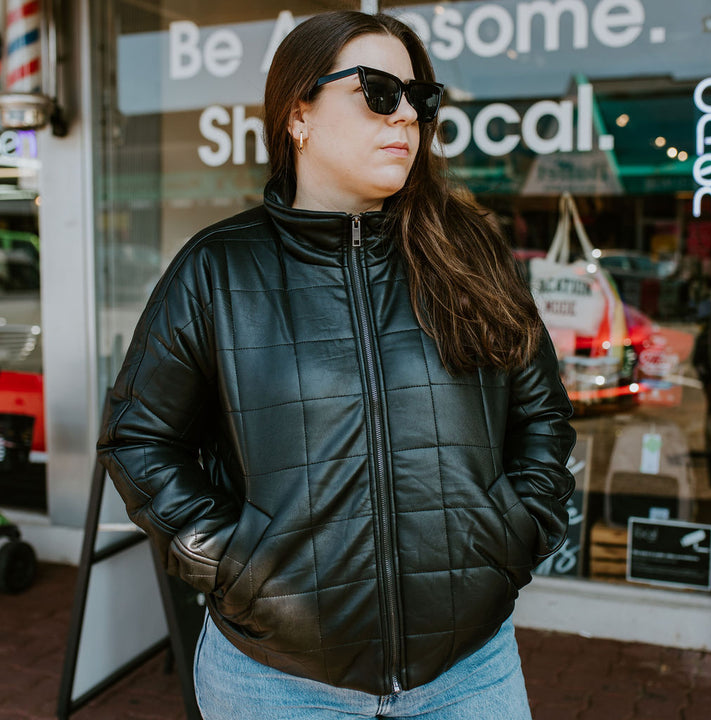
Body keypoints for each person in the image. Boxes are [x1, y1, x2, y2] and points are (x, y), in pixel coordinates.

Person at [97, 10, 575, 720]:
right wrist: (237, 567)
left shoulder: (468, 251)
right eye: (380, 92)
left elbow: (542, 417)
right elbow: (140, 440)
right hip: (278, 681)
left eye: (420, 97)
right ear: (299, 114)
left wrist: (512, 535)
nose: (406, 116)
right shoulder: (219, 270)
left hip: (469, 671)